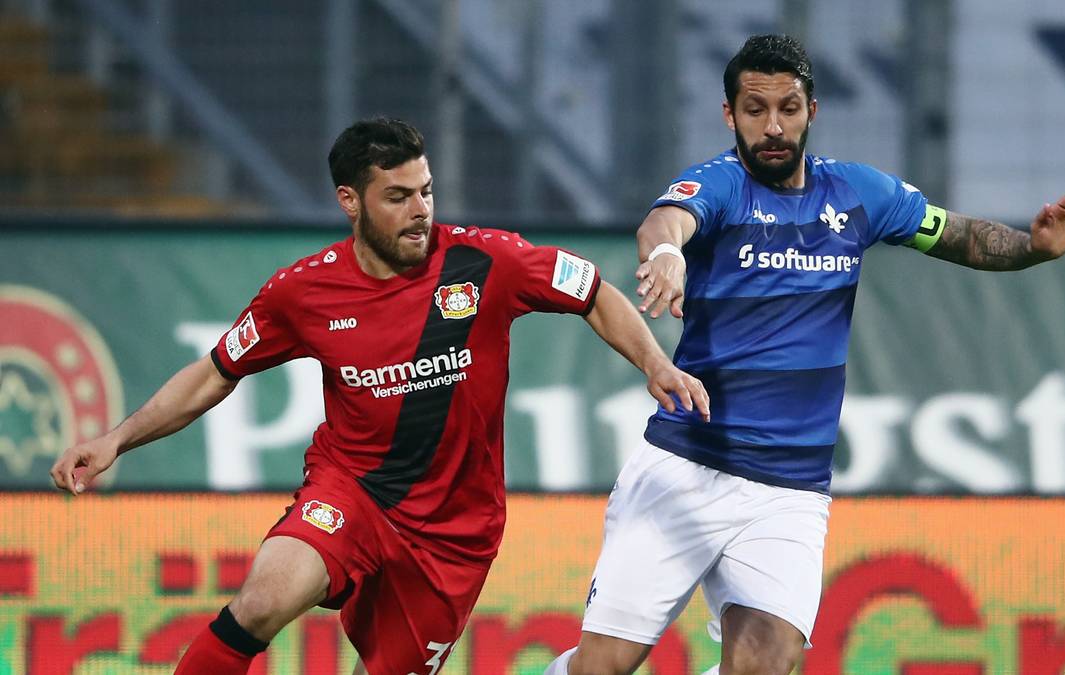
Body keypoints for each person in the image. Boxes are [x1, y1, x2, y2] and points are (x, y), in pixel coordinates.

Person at [49, 117, 710, 675]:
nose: (421, 209)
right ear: (350, 200)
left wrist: (655, 362)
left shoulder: (485, 263)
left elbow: (592, 289)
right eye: (398, 196)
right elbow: (215, 372)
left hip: (454, 533)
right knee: (262, 597)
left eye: (425, 191)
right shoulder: (302, 293)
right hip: (352, 493)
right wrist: (115, 438)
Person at [544, 34, 1065, 675]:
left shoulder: (860, 195)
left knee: (766, 665)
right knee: (603, 669)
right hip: (686, 467)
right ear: (730, 115)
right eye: (755, 110)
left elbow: (958, 235)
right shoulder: (720, 185)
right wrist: (669, 255)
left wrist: (1032, 248)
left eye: (788, 107)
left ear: (813, 109)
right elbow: (665, 223)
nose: (773, 126)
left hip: (791, 489)